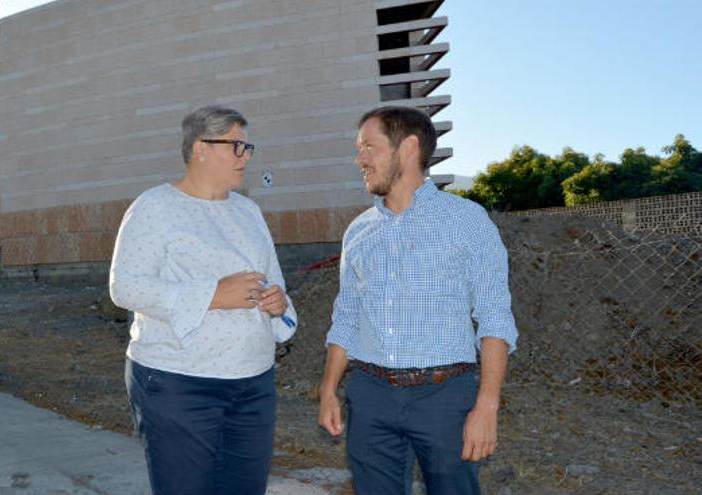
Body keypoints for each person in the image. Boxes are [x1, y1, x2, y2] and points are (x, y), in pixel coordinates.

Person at [317, 106, 518, 495]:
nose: (360, 159)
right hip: (371, 396)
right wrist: (329, 389)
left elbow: (495, 317)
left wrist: (486, 406)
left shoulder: (467, 221)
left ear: (408, 148)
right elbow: (346, 316)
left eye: (369, 147)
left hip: (443, 397)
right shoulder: (358, 231)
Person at [109, 105, 297, 495]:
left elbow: (273, 281)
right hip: (179, 385)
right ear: (200, 149)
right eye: (236, 146)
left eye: (247, 147)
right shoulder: (155, 207)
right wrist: (212, 294)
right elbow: (124, 286)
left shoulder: (250, 212)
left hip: (254, 383)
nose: (245, 156)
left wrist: (279, 304)